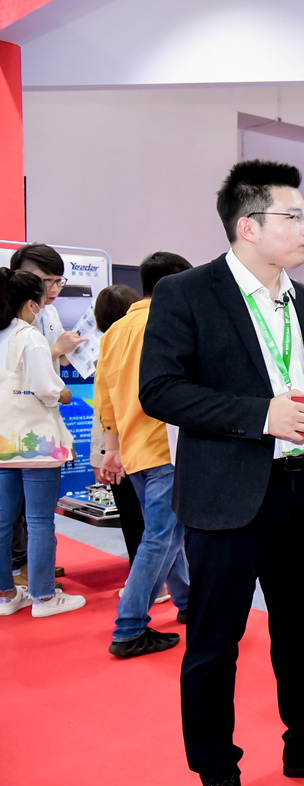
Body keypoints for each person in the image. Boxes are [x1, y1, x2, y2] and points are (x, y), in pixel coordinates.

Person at [138, 160, 304, 786]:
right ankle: (217, 774)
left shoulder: (301, 298)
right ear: (248, 226)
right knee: (215, 645)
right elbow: (160, 390)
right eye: (294, 216)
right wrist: (259, 415)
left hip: (301, 489)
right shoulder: (188, 293)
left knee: (300, 632)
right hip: (226, 497)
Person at [97, 255, 195, 658]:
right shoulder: (170, 325)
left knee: (166, 535)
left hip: (136, 449)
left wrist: (113, 448)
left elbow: (104, 397)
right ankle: (129, 627)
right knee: (162, 538)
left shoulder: (116, 330)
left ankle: (189, 602)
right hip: (165, 446)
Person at [0, 268, 87, 618]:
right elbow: (46, 389)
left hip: (3, 441)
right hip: (37, 443)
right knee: (39, 521)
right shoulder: (29, 337)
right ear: (30, 304)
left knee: (3, 522)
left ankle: (6, 595)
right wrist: (63, 393)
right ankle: (44, 597)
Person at [90, 285, 145, 568]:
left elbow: (103, 409)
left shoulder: (107, 348)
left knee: (132, 519)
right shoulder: (148, 343)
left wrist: (100, 456)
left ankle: (143, 581)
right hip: (148, 447)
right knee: (159, 523)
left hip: (119, 449)